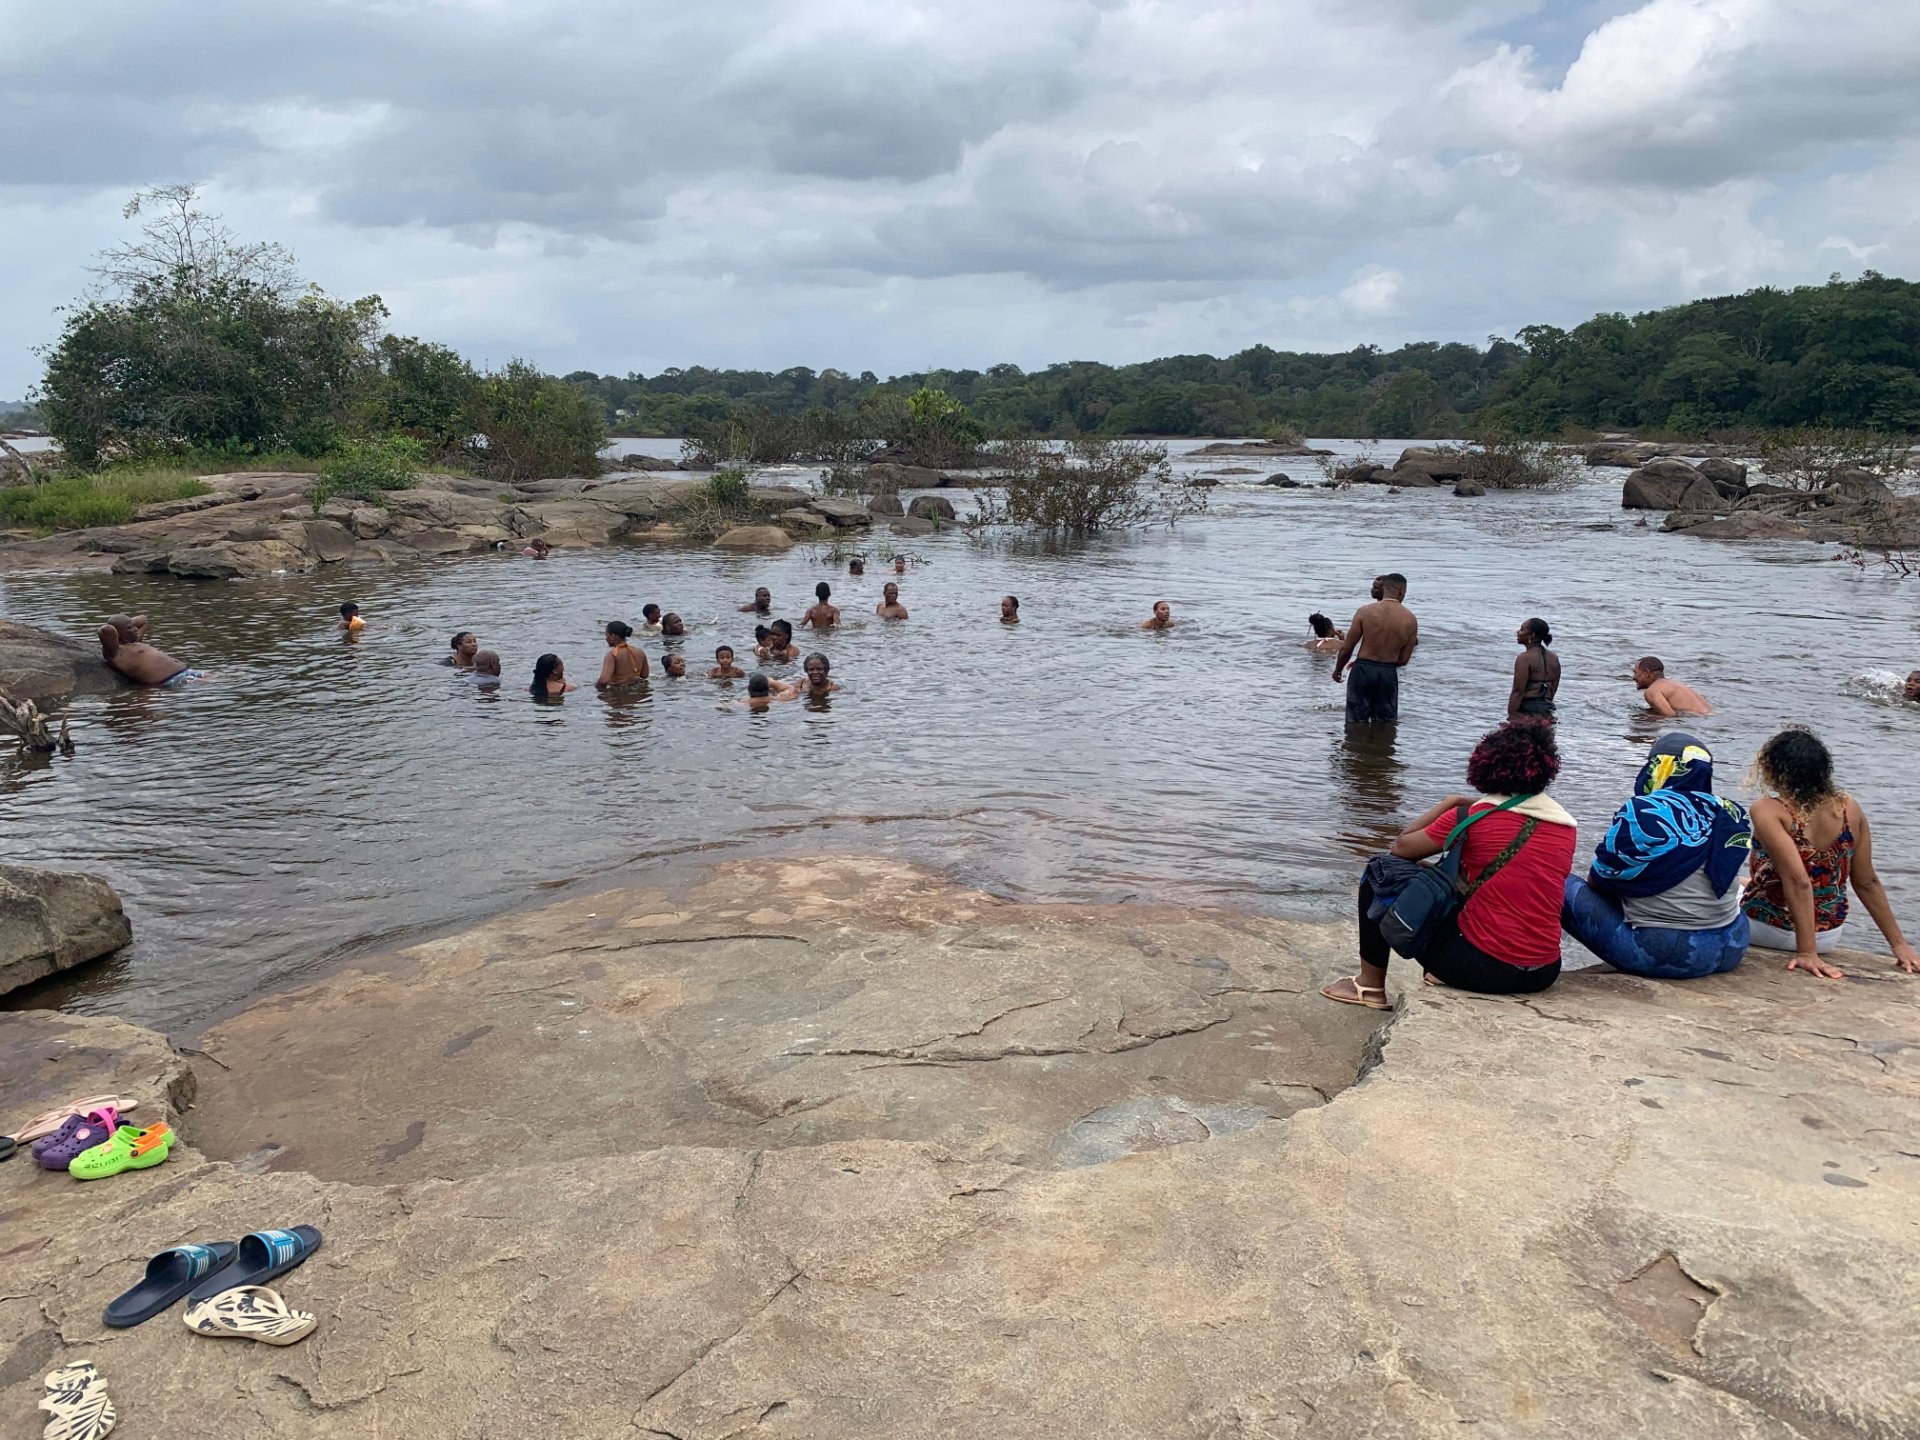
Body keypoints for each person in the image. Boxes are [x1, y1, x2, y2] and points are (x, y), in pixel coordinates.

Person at [1322, 720, 1577, 1008]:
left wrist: (1451, 803)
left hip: (1483, 969)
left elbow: (1401, 849)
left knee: (1378, 871)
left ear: (1487, 767)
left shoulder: (1469, 817)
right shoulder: (1564, 825)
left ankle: (1369, 985)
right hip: (1543, 971)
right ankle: (1450, 965)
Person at [1559, 733, 1752, 978]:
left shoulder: (1643, 812)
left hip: (1671, 954)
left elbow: (1598, 881)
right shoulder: (1732, 812)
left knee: (1559, 883)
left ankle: (1535, 960)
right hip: (1733, 943)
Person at [1741, 728, 1919, 978]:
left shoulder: (1769, 810)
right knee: (1742, 882)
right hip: (1828, 935)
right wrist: (1899, 945)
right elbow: (1866, 882)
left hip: (1770, 929)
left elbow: (1798, 881)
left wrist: (1807, 953)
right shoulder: (1848, 809)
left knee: (1716, 889)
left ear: (1772, 769)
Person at [1332, 573, 1417, 723]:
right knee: (1385, 723)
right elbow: (1403, 660)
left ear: (1384, 589)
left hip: (1362, 670)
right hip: (1388, 673)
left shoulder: (1365, 611)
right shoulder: (1410, 619)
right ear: (1401, 590)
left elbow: (1347, 649)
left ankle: (1355, 744)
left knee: (1355, 721)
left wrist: (1338, 670)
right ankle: (1381, 745)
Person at [97, 614, 205, 686]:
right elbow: (105, 630)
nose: (135, 629)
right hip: (171, 680)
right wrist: (117, 624)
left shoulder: (134, 641)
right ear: (118, 633)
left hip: (186, 671)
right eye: (129, 628)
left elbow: (143, 619)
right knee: (214, 684)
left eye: (134, 626)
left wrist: (126, 623)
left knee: (219, 678)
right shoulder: (115, 653)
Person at [1509, 618, 1560, 721]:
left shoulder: (1524, 658)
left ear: (1532, 635)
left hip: (1527, 709)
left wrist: (1512, 715)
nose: (1518, 632)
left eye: (1522, 629)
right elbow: (1553, 689)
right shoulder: (1554, 658)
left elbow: (1518, 691)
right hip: (1547, 709)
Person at [1631, 657, 1711, 717]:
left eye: (1635, 672)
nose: (1633, 677)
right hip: (1709, 715)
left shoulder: (1652, 691)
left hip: (1697, 720)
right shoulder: (1674, 683)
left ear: (1646, 672)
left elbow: (1669, 716)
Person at [596, 621, 648, 687]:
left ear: (613, 635)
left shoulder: (612, 654)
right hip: (637, 693)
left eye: (607, 635)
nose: (606, 639)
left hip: (618, 693)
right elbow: (644, 675)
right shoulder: (640, 651)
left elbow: (603, 681)